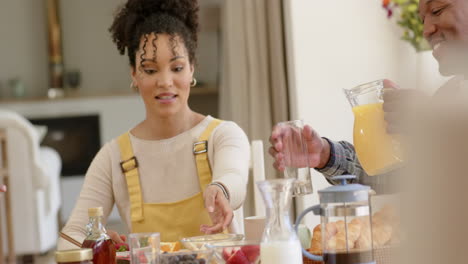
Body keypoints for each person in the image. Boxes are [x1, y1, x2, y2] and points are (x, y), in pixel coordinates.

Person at [58, 0, 250, 249]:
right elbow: (72, 236)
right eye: (150, 70)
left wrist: (220, 190)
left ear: (192, 69)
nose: (165, 81)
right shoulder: (113, 157)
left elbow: (233, 178)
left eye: (177, 67)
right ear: (134, 75)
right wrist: (95, 246)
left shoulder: (223, 135)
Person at [269, 0, 468, 185]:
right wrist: (324, 154)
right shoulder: (451, 94)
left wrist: (440, 123)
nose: (426, 30)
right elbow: (397, 176)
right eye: (422, 19)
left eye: (437, 10)